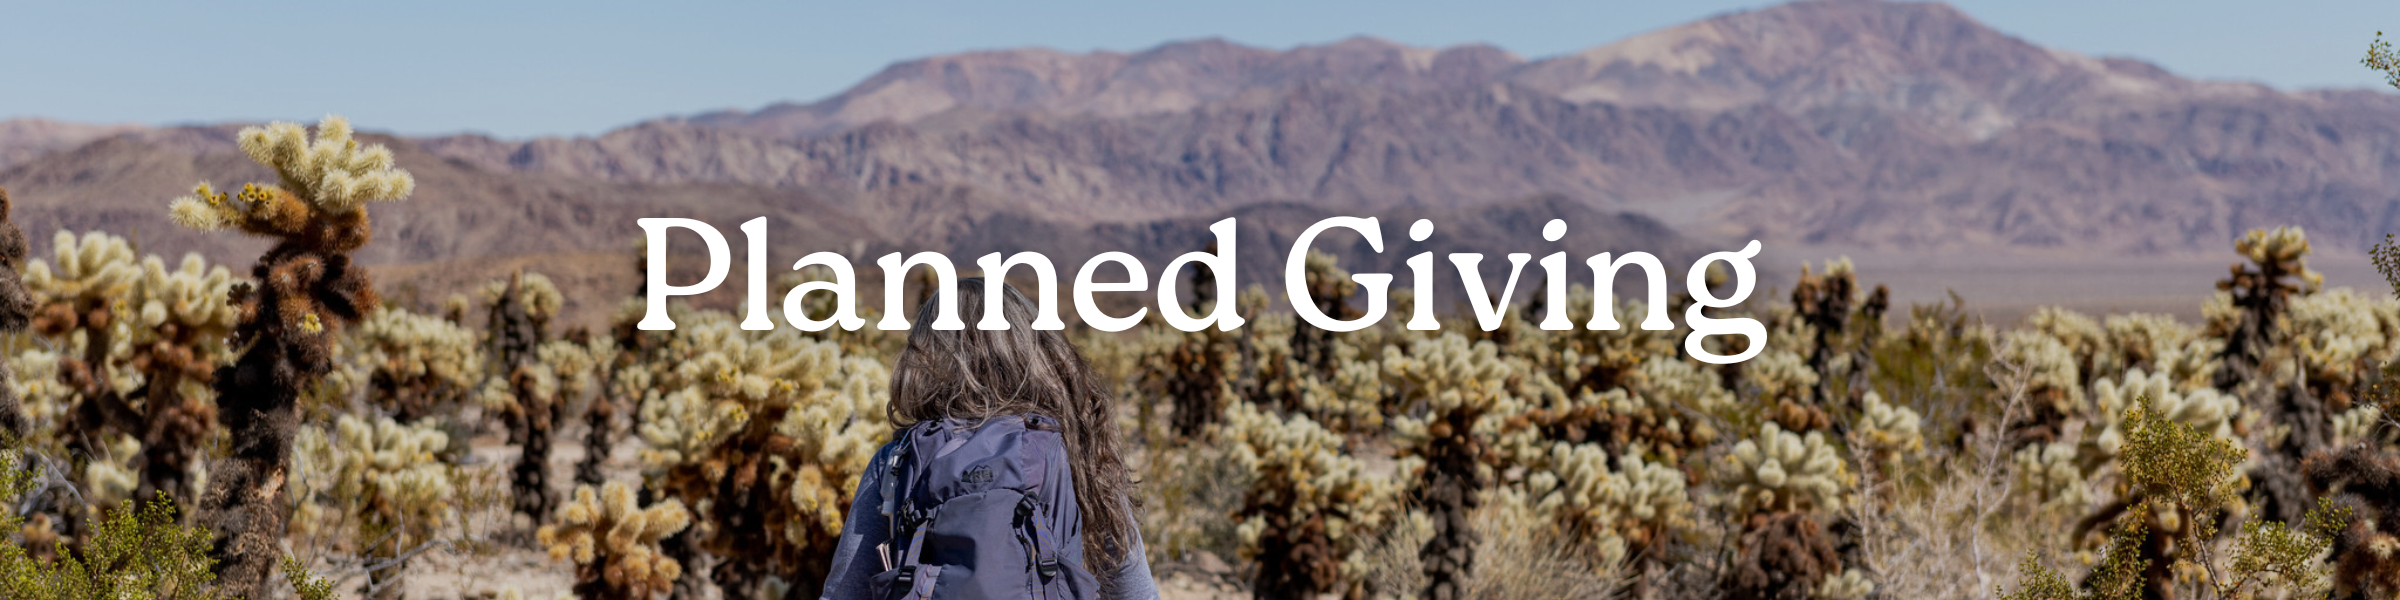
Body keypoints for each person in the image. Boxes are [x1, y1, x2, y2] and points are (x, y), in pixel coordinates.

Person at [821, 278, 1159, 600]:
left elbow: (844, 592)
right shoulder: (1075, 450)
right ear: (1035, 349)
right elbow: (1134, 591)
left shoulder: (898, 459)